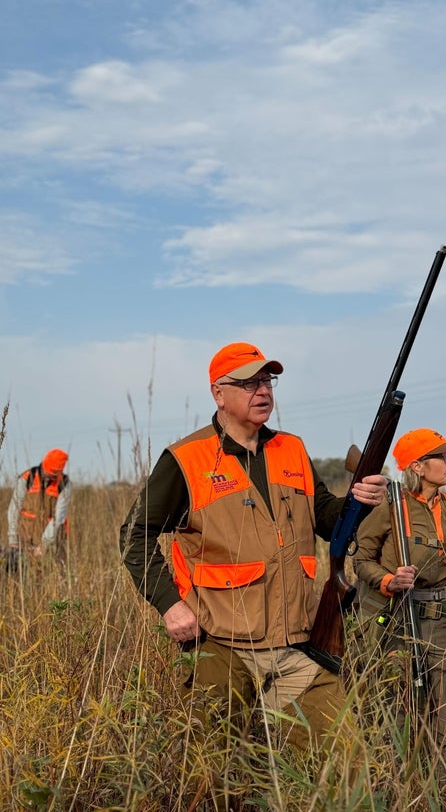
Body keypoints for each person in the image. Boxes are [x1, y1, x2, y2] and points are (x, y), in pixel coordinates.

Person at [119, 341, 387, 802]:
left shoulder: (292, 449)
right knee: (214, 777)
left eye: (267, 381)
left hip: (298, 646)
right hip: (223, 645)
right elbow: (134, 535)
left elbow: (325, 518)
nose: (262, 391)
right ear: (219, 394)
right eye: (248, 383)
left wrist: (356, 501)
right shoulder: (187, 459)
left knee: (348, 767)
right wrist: (170, 604)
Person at [353, 427, 446, 804]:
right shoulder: (388, 508)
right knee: (393, 721)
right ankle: (391, 798)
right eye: (443, 457)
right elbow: (359, 560)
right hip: (397, 622)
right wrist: (387, 580)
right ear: (417, 465)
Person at [6, 448, 71, 569]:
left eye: (52, 476)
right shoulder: (27, 478)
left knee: (51, 577)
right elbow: (14, 508)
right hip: (25, 537)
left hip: (52, 540)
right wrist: (13, 538)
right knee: (20, 574)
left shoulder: (64, 484)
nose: (48, 477)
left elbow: (58, 519)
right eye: (47, 472)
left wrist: (44, 545)